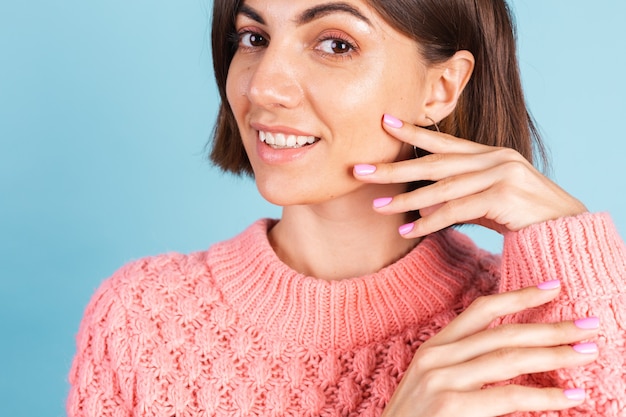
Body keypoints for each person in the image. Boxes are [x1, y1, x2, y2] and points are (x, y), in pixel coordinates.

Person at [67, 0, 626, 415]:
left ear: (442, 87)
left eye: (335, 44)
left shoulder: (524, 324)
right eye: (253, 37)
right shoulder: (142, 317)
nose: (264, 87)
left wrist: (576, 243)